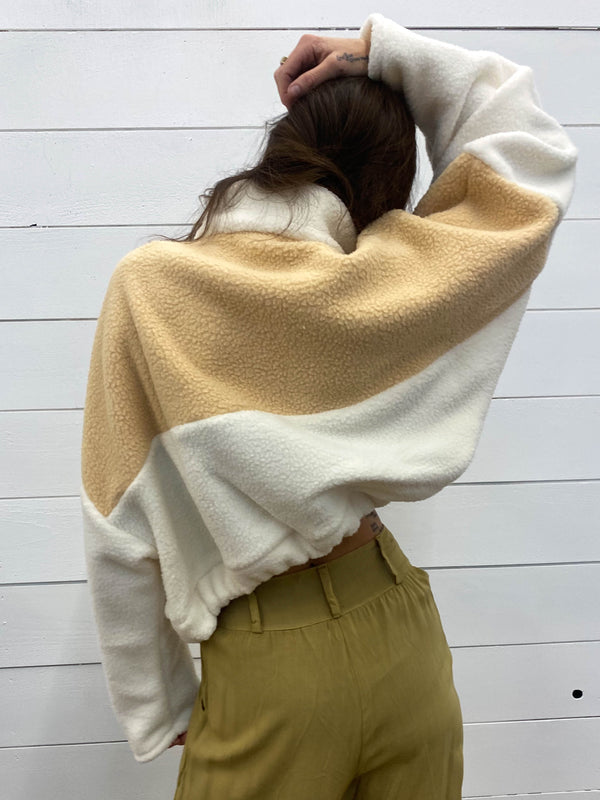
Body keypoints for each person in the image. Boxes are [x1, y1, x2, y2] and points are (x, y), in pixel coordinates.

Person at [80, 11, 577, 799]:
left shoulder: (152, 288)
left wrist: (158, 703)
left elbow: (117, 518)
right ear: (386, 186)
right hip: (402, 630)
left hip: (270, 662)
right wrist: (385, 53)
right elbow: (530, 149)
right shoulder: (391, 281)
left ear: (282, 146)